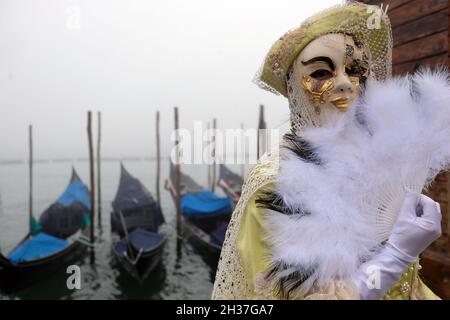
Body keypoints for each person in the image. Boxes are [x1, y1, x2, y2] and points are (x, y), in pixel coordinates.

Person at [212, 1, 442, 300]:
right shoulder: (276, 186)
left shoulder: (375, 167)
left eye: (355, 69)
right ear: (295, 87)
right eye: (321, 72)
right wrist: (394, 258)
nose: (346, 83)